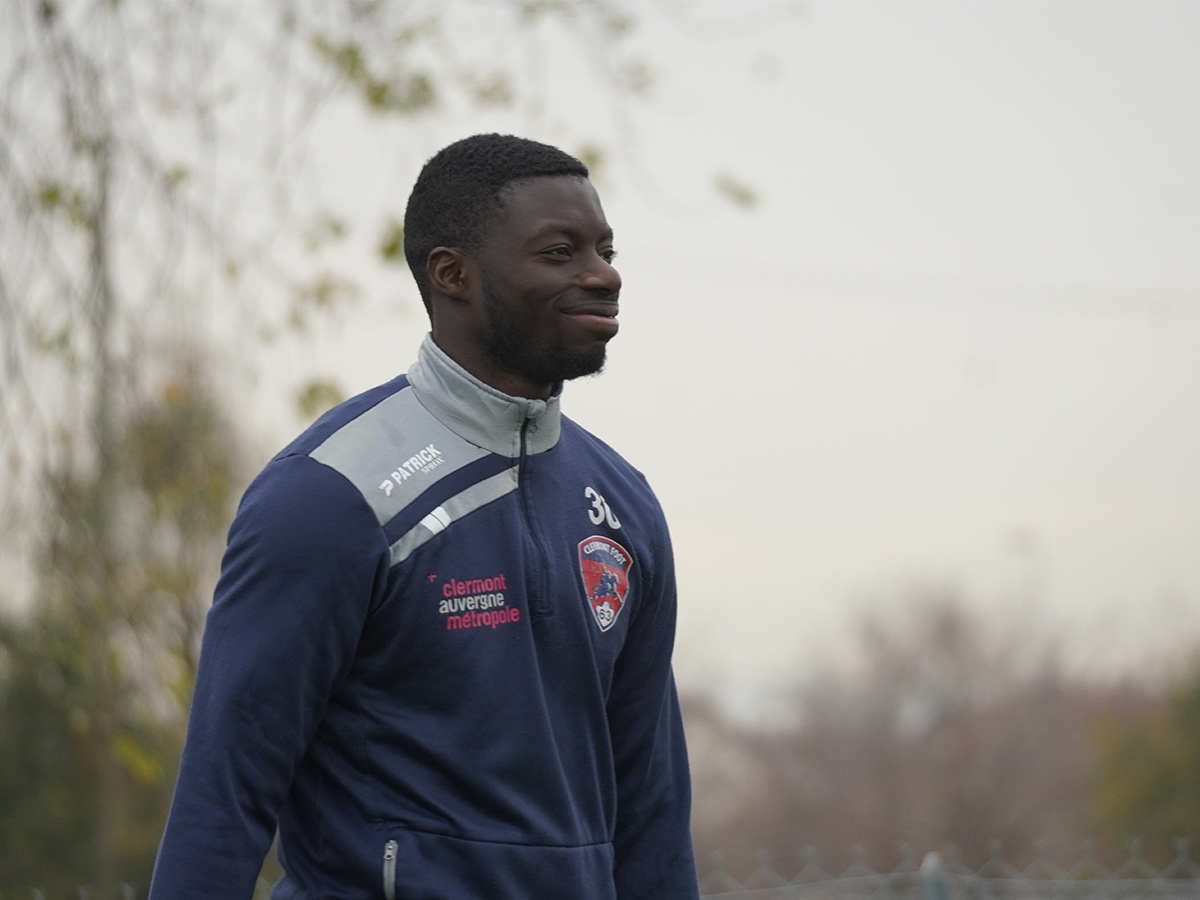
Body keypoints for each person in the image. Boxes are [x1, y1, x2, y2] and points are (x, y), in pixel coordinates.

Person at [149, 134, 699, 900]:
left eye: (604, 249)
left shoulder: (623, 503)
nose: (602, 275)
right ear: (453, 275)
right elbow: (225, 794)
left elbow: (653, 809)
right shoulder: (329, 495)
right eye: (560, 251)